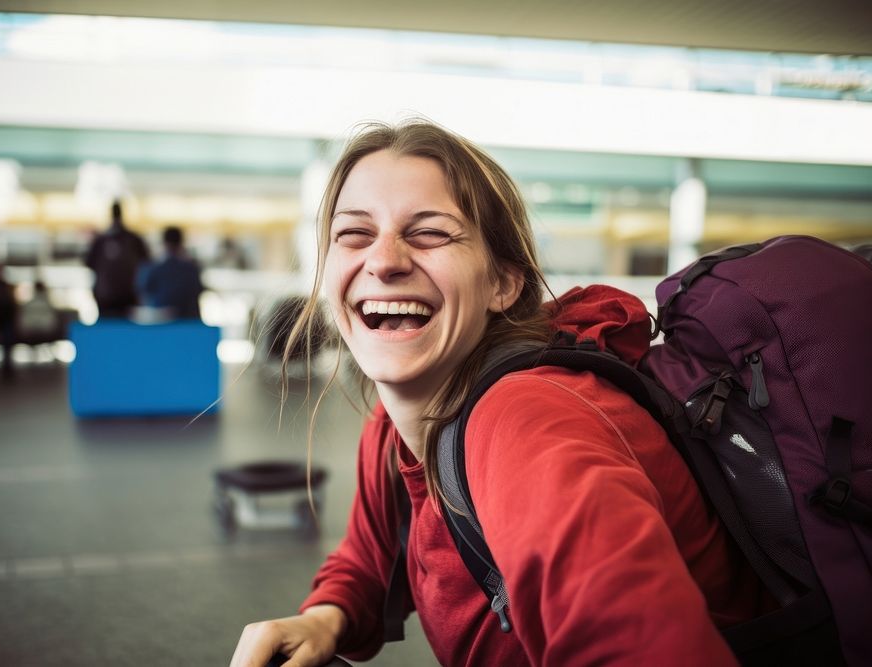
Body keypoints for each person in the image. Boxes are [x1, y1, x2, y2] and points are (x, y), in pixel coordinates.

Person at [231, 121, 771, 667]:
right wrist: (327, 616)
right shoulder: (394, 425)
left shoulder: (529, 423)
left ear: (503, 284)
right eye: (354, 234)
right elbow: (371, 559)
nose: (384, 260)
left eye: (430, 233)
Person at [84, 200, 149, 320]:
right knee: (127, 331)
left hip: (106, 296)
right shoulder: (133, 239)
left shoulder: (100, 240)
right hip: (128, 295)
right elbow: (146, 263)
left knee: (107, 329)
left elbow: (89, 264)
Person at [137, 226, 204, 320]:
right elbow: (198, 290)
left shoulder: (153, 267)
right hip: (187, 322)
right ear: (181, 243)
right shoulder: (191, 268)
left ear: (164, 243)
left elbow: (142, 289)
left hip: (161, 322)